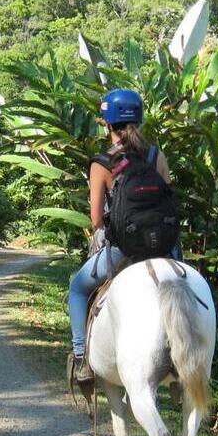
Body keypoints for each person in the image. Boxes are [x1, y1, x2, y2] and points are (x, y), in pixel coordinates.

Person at [68, 89, 177, 384]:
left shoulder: (103, 163)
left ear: (107, 123)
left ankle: (81, 360)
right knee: (186, 283)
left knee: (77, 289)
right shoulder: (156, 155)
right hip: (163, 247)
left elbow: (95, 220)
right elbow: (169, 200)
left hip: (124, 250)